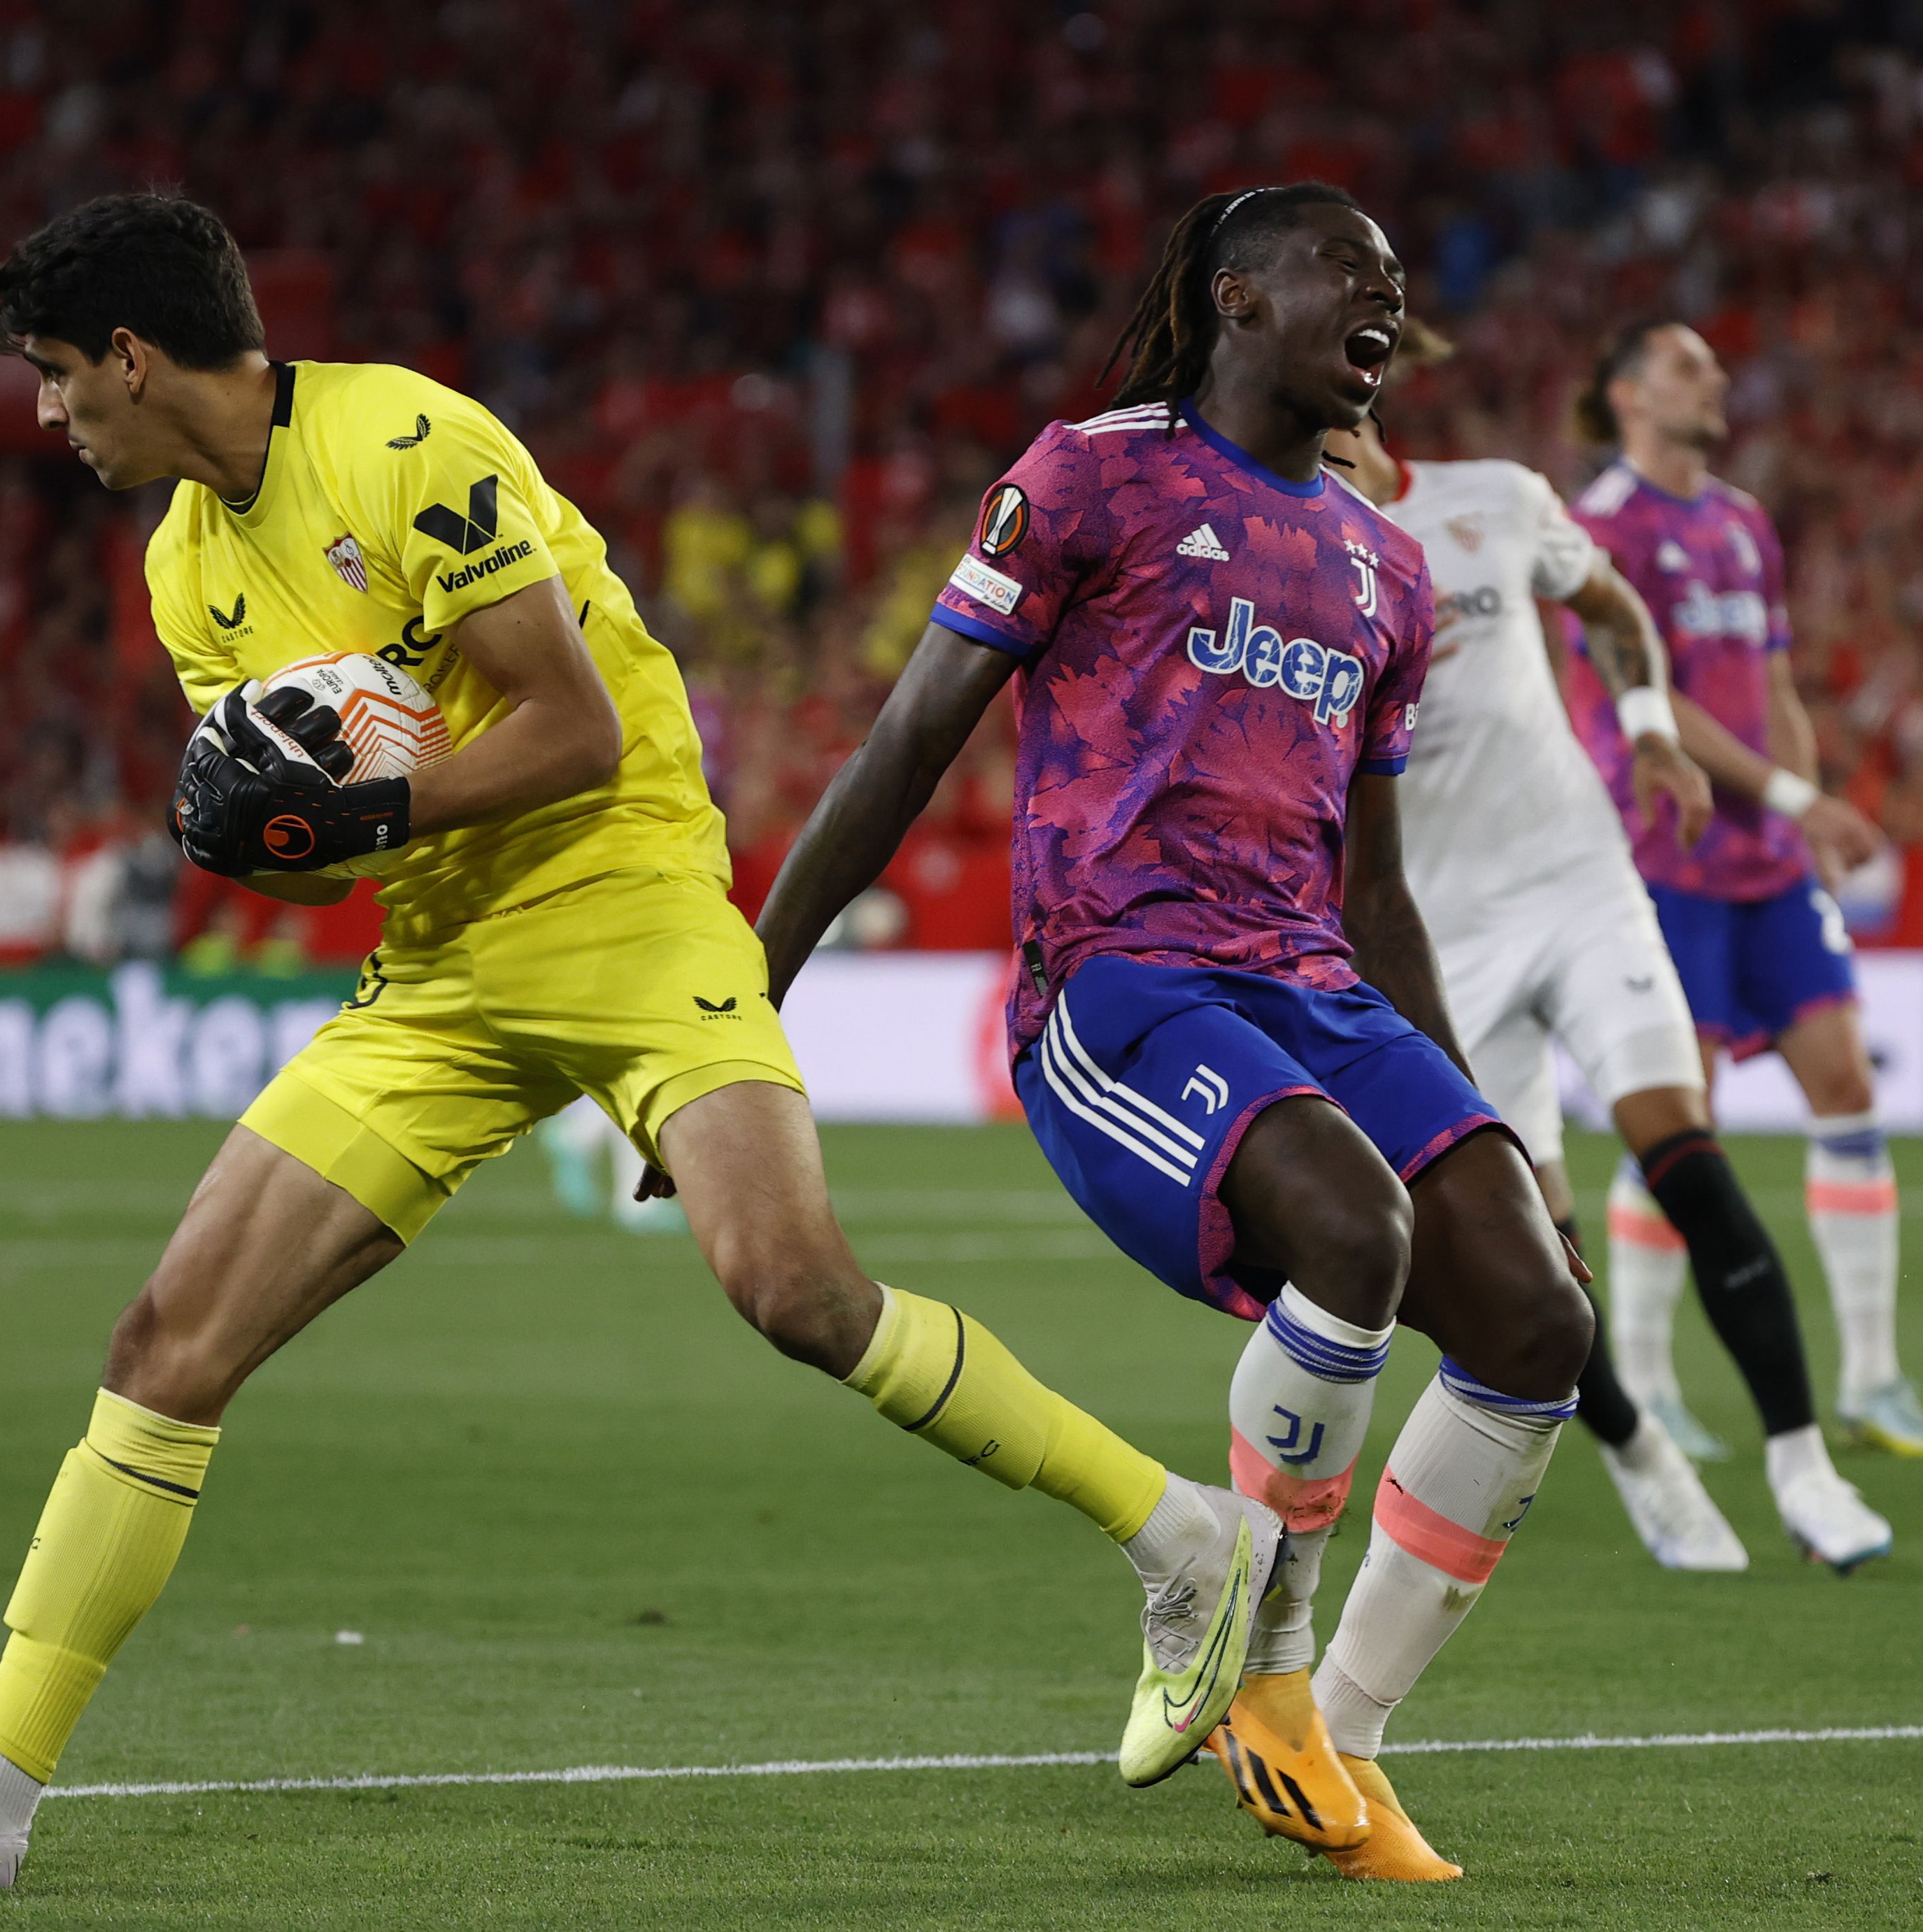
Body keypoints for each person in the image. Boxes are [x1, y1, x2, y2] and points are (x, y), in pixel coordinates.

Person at [0, 192, 1270, 1893]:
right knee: (169, 1340)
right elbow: (342, 826)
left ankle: (1183, 1533)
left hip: (626, 895)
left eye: (50, 377)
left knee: (794, 1289)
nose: (44, 416)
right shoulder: (186, 567)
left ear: (131, 355)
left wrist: (358, 795)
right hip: (446, 960)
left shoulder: (406, 439)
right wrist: (287, 830)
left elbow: (572, 727)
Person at [746, 183, 1596, 1882]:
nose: (1387, 296)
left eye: (1399, 278)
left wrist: (1497, 1120)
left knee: (1537, 1313)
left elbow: (1377, 888)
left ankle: (1339, 1731)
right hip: (1121, 981)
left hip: (1317, 983)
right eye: (1348, 270)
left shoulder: (1388, 566)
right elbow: (909, 741)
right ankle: (1262, 1668)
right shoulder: (1090, 474)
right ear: (1239, 297)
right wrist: (745, 989)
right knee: (1355, 1229)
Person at [1319, 366, 1894, 1573]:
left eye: (1324, 438)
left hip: (1581, 883)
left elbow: (1621, 616)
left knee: (1684, 1154)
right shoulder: (1290, 567)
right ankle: (1646, 1462)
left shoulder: (1499, 499)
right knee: (1527, 1254)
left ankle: (1802, 1463)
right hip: (1442, 937)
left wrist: (1647, 741)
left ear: (1363, 424)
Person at [1567, 320, 1923, 1463]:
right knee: (1684, 1113)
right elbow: (1653, 701)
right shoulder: (1600, 529)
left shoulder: (1740, 521)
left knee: (1842, 1086)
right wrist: (1787, 791)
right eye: (1683, 366)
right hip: (1665, 859)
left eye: (1714, 366)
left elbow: (1772, 682)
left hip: (1765, 865)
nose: (1713, 379)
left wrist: (1802, 804)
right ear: (1626, 394)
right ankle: (1655, 1380)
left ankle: (1872, 1377)